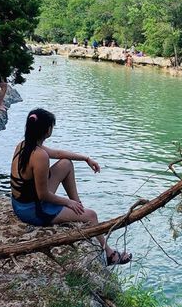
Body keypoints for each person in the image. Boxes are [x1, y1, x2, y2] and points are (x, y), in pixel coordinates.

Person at [10, 108, 131, 265]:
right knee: (91, 216)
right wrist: (67, 202)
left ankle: (78, 208)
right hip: (32, 210)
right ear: (47, 130)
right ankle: (109, 254)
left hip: (20, 202)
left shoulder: (25, 145)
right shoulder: (40, 156)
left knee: (66, 164)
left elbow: (59, 154)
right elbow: (43, 195)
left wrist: (86, 158)